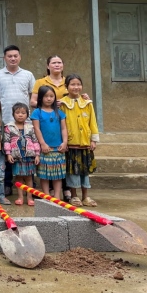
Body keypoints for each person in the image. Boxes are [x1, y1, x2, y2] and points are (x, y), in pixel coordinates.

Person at [59, 74, 99, 207]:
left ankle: (86, 196)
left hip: (85, 143)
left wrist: (93, 140)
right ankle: (74, 196)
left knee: (84, 171)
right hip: (71, 143)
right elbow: (61, 124)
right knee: (73, 171)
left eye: (78, 84)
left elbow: (92, 122)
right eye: (72, 84)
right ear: (67, 86)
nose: (76, 87)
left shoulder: (87, 103)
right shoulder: (62, 103)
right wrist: (63, 141)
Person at [32, 86, 68, 198]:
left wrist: (65, 142)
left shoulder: (59, 113)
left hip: (58, 148)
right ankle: (47, 195)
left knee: (58, 175)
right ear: (41, 98)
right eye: (46, 96)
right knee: (45, 174)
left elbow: (63, 128)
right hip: (45, 149)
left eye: (51, 96)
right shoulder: (37, 112)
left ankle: (57, 197)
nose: (49, 99)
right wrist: (42, 143)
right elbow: (36, 129)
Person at [4, 102, 40, 206]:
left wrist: (37, 154)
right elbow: (6, 141)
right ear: (13, 114)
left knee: (29, 178)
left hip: (29, 156)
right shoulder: (9, 127)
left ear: (27, 115)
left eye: (23, 113)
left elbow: (35, 141)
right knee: (18, 178)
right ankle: (20, 197)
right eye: (18, 112)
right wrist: (8, 154)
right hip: (17, 157)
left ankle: (29, 198)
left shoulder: (30, 127)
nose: (20, 115)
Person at [0, 45, 35, 125]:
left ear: (20, 57)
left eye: (15, 56)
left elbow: (33, 96)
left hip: (25, 121)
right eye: (10, 56)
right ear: (4, 58)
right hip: (3, 119)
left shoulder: (28, 75)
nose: (13, 59)